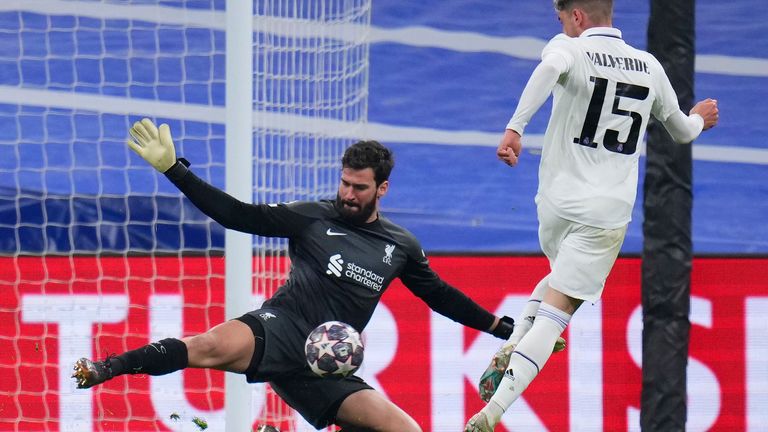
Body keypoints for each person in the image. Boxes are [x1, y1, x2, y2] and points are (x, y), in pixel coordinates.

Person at [71, 118, 518, 431]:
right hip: (281, 329)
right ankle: (105, 368)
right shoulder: (311, 217)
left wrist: (496, 326)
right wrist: (175, 171)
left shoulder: (399, 246)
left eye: (359, 187)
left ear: (381, 188)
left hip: (327, 365)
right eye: (344, 182)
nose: (347, 193)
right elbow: (236, 216)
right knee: (205, 345)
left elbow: (438, 295)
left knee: (404, 429)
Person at [465, 0, 719, 430]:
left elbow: (546, 72)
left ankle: (514, 341)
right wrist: (699, 118)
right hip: (605, 211)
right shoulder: (650, 66)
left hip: (555, 202)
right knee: (560, 308)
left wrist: (515, 127)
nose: (562, 25)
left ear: (577, 15)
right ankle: (494, 411)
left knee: (558, 277)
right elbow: (681, 132)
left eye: (562, 17)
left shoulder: (570, 48)